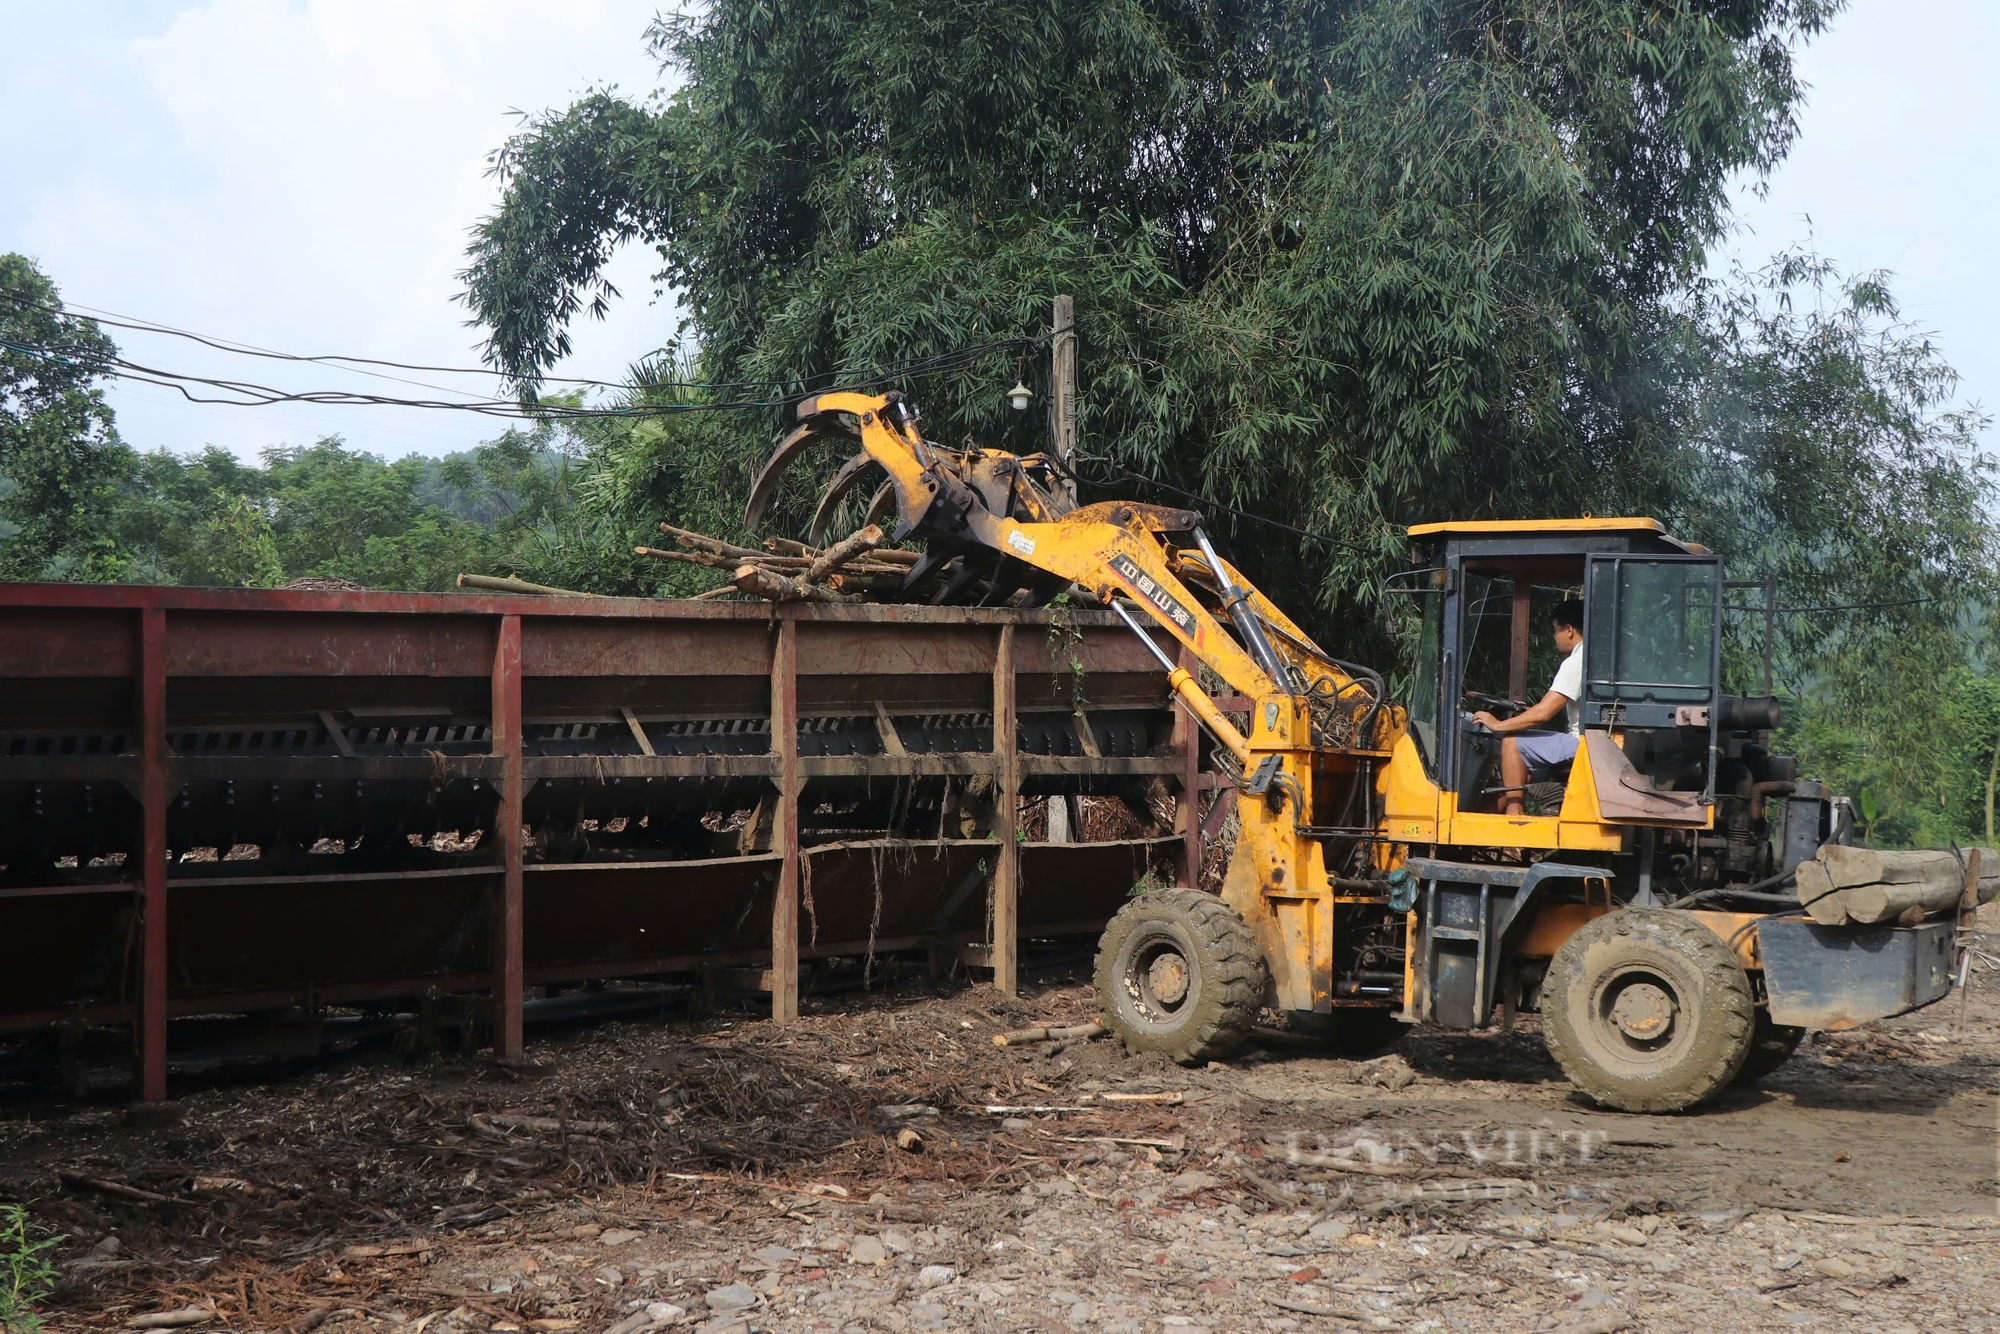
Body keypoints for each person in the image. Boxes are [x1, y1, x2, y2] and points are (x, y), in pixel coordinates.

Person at [1472, 598, 1585, 817]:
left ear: (1569, 630)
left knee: (1511, 743)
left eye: (1556, 631)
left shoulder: (1576, 662)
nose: (1555, 638)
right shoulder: (1592, 657)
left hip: (1580, 743)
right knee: (1517, 774)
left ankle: (1515, 817)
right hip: (1587, 742)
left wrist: (1498, 724)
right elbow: (1543, 708)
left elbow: (1543, 713)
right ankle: (1476, 830)